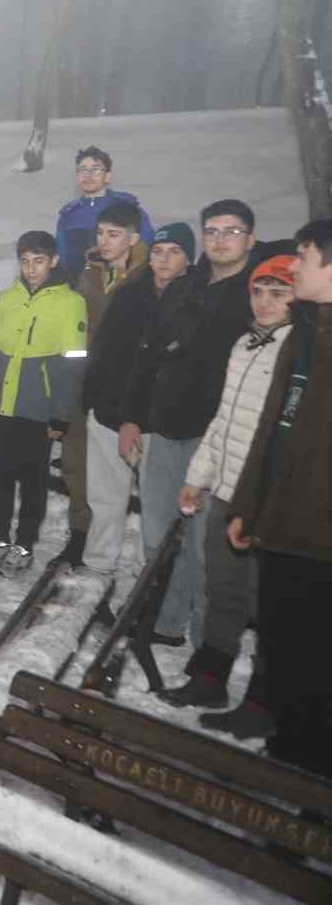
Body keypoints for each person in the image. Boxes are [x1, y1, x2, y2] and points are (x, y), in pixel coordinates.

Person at [120, 201, 286, 650]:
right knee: (158, 533)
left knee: (203, 544)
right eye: (211, 230)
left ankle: (204, 638)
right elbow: (148, 352)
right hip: (165, 426)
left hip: (219, 437)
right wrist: (132, 416)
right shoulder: (184, 287)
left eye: (232, 232)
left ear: (252, 239)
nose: (220, 240)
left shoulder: (260, 293)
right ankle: (167, 620)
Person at [161, 255, 295, 732]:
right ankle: (211, 676)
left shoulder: (297, 354)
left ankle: (264, 699)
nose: (265, 302)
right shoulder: (245, 345)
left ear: (299, 297)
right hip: (226, 490)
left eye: (278, 292)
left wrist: (268, 502)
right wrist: (198, 476)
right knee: (224, 590)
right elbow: (223, 420)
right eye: (258, 291)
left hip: (266, 501)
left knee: (267, 601)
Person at [225, 221, 332, 777]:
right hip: (282, 528)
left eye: (306, 257)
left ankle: (310, 793)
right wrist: (247, 502)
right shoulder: (304, 333)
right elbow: (273, 426)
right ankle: (289, 766)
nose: (293, 267)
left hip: (320, 540)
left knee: (316, 669)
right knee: (284, 655)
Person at [0, 232, 88, 576]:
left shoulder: (70, 302)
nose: (31, 269)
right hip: (4, 404)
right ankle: (0, 540)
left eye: (38, 261)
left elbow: (73, 362)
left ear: (53, 261)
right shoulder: (7, 300)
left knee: (32, 479)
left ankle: (23, 545)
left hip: (39, 406)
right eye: (24, 261)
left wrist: (61, 415)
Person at [78, 223, 191, 577]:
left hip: (158, 420)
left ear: (189, 258)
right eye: (158, 251)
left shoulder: (195, 300)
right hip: (110, 409)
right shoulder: (131, 293)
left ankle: (151, 567)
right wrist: (90, 399)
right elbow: (103, 348)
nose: (164, 259)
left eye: (174, 252)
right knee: (105, 494)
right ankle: (98, 561)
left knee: (157, 502)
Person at [57, 201, 147, 566]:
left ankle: (149, 555)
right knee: (76, 463)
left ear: (133, 237)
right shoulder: (90, 273)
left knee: (129, 472)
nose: (105, 241)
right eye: (100, 233)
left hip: (127, 386)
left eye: (114, 234)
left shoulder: (145, 277)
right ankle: (80, 534)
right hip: (86, 381)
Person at [54, 146, 154, 277]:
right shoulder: (68, 214)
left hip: (121, 285)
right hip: (78, 287)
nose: (88, 175)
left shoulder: (127, 206)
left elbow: (146, 247)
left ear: (107, 176)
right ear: (77, 176)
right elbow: (62, 257)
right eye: (83, 170)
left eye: (96, 169)